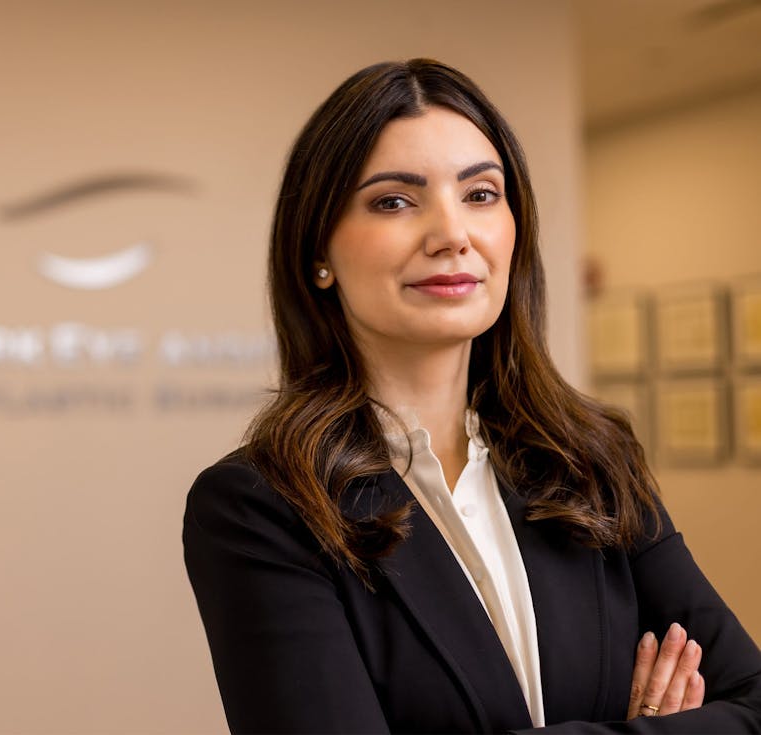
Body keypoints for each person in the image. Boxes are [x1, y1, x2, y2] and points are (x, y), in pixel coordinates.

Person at [183, 58, 761, 733]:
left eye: (481, 194)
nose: (452, 234)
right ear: (318, 249)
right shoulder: (263, 506)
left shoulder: (594, 459)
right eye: (394, 200)